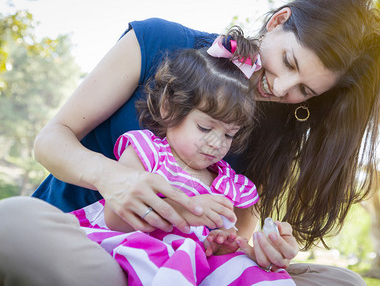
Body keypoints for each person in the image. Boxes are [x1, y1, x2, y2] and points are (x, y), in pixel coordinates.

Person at [0, 0, 380, 286]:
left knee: (344, 283)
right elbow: (51, 140)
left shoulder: (279, 127)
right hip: (87, 247)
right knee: (13, 222)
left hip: (187, 266)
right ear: (277, 21)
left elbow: (235, 232)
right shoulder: (158, 41)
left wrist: (258, 250)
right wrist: (114, 179)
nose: (281, 87)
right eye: (289, 62)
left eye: (304, 91)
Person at [70, 35, 295, 285]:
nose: (217, 143)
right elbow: (116, 219)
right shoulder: (148, 152)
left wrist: (222, 242)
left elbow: (237, 237)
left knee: (248, 270)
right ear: (169, 107)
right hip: (130, 248)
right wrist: (185, 211)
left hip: (189, 264)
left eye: (229, 134)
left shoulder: (226, 184)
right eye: (204, 128)